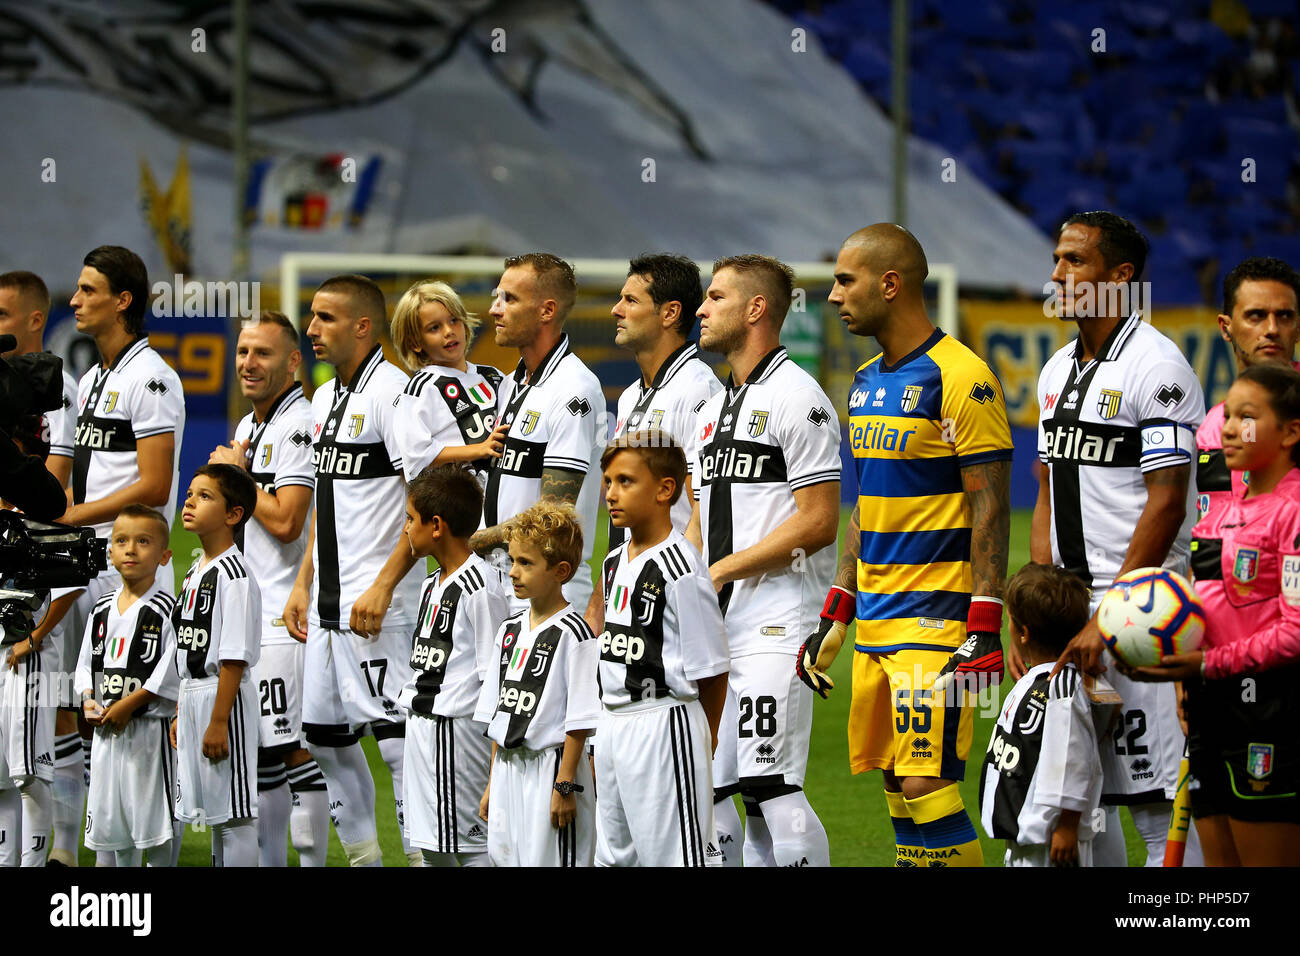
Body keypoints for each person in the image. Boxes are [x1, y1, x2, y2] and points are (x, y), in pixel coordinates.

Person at [798, 224, 1011, 867]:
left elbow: (990, 504)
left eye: (845, 280)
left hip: (943, 623)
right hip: (879, 623)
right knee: (897, 785)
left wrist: (986, 624)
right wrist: (839, 608)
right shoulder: (863, 382)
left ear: (890, 284)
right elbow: (865, 504)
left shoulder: (963, 377)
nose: (834, 296)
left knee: (929, 783)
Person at [1041, 212, 1205, 866]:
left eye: (1074, 261)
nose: (1056, 274)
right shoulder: (1057, 369)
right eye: (1057, 259)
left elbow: (1166, 503)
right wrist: (1041, 606)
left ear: (1120, 277)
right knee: (1079, 802)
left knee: (1156, 800)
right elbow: (1049, 488)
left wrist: (1108, 617)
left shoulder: (1157, 367)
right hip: (1073, 610)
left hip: (1143, 610)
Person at [686, 254, 840, 867]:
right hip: (717, 626)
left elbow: (820, 520)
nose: (702, 308)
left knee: (773, 788)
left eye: (716, 297)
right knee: (721, 792)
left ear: (755, 309)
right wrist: (685, 577)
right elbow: (699, 516)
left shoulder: (798, 397)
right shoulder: (712, 407)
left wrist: (720, 571)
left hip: (779, 621)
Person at [36, 247, 185, 865]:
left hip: (134, 569)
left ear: (122, 300)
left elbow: (153, 486)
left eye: (87, 290)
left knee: (144, 725)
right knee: (87, 710)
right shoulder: (97, 378)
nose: (74, 301)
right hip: (94, 566)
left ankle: (158, 857)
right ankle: (85, 856)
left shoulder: (152, 377)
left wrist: (73, 515)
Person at [1128, 365, 1300, 865]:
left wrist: (1208, 664)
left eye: (1247, 417)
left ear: (1290, 432)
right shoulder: (1219, 510)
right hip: (1208, 710)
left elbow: (1294, 631)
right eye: (1227, 414)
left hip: (1268, 712)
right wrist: (1180, 659)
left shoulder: (1292, 513)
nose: (1228, 427)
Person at [282, 274, 423, 867]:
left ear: (363, 326)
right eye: (312, 318)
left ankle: (420, 859)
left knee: (399, 749)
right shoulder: (323, 398)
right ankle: (367, 863)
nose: (311, 330)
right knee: (324, 739)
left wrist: (386, 584)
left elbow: (427, 502)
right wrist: (303, 580)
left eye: (324, 318)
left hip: (381, 610)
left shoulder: (396, 394)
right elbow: (326, 498)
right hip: (327, 608)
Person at [208, 313, 328, 867]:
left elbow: (288, 521)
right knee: (262, 758)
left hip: (285, 615)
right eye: (242, 353)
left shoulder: (298, 425)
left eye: (263, 354)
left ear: (294, 361)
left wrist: (238, 477)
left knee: (295, 751)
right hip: (251, 610)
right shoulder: (253, 427)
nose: (249, 364)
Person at [595, 432, 729, 866]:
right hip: (613, 724)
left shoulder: (681, 566)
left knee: (676, 858)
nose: (611, 493)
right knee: (615, 859)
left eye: (625, 481)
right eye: (608, 480)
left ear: (665, 490)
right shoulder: (613, 562)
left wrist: (697, 746)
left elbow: (712, 672)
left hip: (664, 724)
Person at [584, 254, 721, 635]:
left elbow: (703, 508)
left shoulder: (699, 389)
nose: (616, 310)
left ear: (670, 313)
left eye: (630, 300)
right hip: (625, 594)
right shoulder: (630, 397)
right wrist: (601, 598)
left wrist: (680, 594)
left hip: (666, 603)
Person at [472, 254, 605, 614]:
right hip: (499, 584)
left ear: (547, 311)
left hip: (547, 596)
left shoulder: (573, 390)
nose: (494, 310)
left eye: (509, 299)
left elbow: (555, 512)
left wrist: (479, 538)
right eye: (496, 297)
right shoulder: (512, 384)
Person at [474, 502, 600, 867]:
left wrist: (565, 787)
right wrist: (492, 782)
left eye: (526, 563)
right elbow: (501, 714)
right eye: (512, 560)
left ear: (561, 571)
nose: (513, 572)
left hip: (552, 770)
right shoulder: (508, 630)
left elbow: (579, 719)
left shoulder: (574, 632)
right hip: (510, 769)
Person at [0, 270, 76, 866]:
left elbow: (52, 499)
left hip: (34, 586)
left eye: (2, 314)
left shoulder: (56, 390)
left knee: (31, 762)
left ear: (31, 319)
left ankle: (50, 860)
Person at [399, 465, 511, 867]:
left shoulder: (481, 587)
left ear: (436, 526)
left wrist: (495, 760)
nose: (406, 530)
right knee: (431, 846)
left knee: (470, 845)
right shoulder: (433, 584)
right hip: (423, 727)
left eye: (410, 520)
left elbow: (494, 676)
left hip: (456, 732)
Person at [73, 505, 179, 867]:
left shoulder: (168, 610)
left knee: (156, 828)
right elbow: (86, 662)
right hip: (106, 736)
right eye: (122, 541)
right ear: (110, 553)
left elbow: (170, 671)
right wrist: (88, 699)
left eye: (143, 541)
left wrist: (131, 704)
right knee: (114, 829)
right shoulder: (101, 608)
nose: (131, 549)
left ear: (164, 556)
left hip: (149, 735)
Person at [978, 563, 1103, 867]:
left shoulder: (1062, 687)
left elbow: (1075, 757)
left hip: (1049, 839)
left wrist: (1068, 825)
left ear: (1023, 633)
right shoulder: (1038, 680)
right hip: (1026, 835)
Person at [170, 464, 262, 867]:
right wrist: (179, 707)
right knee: (212, 811)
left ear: (233, 515)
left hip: (223, 698)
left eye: (204, 496)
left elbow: (234, 655)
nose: (190, 501)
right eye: (190, 493)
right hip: (193, 694)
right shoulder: (195, 571)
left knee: (235, 812)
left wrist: (219, 720)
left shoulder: (235, 575)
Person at [1195, 257, 1300, 517]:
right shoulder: (1213, 425)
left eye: (1285, 316)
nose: (1272, 329)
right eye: (1257, 316)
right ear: (1225, 327)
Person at [389, 279, 508, 487]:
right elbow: (416, 459)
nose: (448, 331)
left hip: (502, 500)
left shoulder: (493, 376)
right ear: (416, 342)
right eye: (434, 328)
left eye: (454, 320)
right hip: (457, 508)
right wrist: (479, 449)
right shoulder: (421, 389)